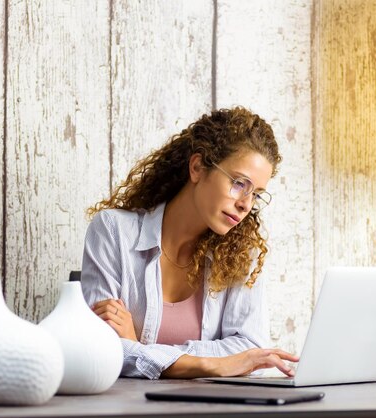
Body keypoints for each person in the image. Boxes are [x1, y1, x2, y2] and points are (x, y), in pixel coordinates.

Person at [80, 106, 298, 379]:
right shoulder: (113, 232)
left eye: (256, 194)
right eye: (239, 183)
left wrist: (139, 348)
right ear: (197, 168)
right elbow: (99, 349)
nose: (245, 205)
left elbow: (251, 349)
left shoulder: (243, 253)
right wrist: (209, 364)